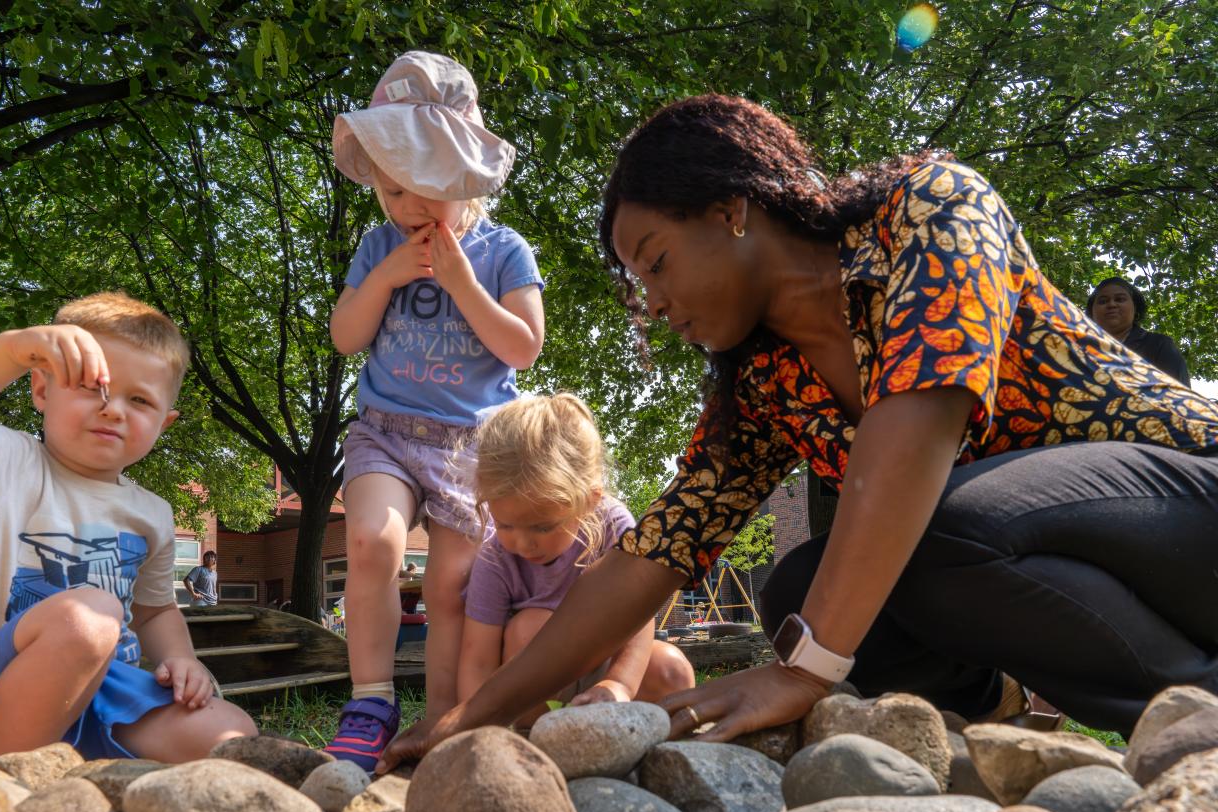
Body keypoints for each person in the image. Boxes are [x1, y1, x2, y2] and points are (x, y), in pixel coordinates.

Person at [380, 94, 1218, 771]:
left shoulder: (927, 207)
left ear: (731, 208)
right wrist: (470, 716)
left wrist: (800, 673)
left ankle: (1200, 705)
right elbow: (652, 554)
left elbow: (917, 428)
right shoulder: (765, 378)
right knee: (796, 591)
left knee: (918, 539)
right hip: (1019, 540)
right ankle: (997, 704)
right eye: (641, 287)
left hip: (1188, 496)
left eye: (658, 261)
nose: (657, 307)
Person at [0, 292, 258, 765]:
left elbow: (154, 613)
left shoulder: (152, 513)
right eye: (93, 387)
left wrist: (183, 658)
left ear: (163, 424)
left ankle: (71, 772)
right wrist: (12, 349)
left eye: (140, 400)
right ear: (42, 389)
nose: (114, 410)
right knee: (89, 618)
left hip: (96, 698)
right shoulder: (3, 462)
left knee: (231, 734)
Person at [325, 51, 545, 771]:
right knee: (373, 545)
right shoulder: (377, 245)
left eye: (424, 189)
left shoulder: (502, 250)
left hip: (470, 445)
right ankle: (371, 699)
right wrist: (386, 276)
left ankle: (442, 716)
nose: (408, 208)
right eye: (392, 192)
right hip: (385, 432)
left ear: (463, 175)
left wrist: (463, 283)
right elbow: (344, 335)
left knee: (453, 586)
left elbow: (524, 347)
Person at [457, 394, 695, 725]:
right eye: (506, 524)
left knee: (673, 670)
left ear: (589, 500)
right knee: (532, 627)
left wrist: (619, 683)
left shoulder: (615, 525)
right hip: (532, 684)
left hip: (605, 662)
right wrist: (473, 731)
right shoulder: (496, 557)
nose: (523, 543)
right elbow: (477, 659)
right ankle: (541, 739)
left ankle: (648, 751)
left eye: (543, 526)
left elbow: (640, 618)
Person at [1086, 277, 1190, 386]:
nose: (1111, 304)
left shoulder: (1158, 345)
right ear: (1092, 312)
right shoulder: (1078, 348)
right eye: (1103, 301)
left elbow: (1180, 396)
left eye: (1120, 299)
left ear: (1135, 308)